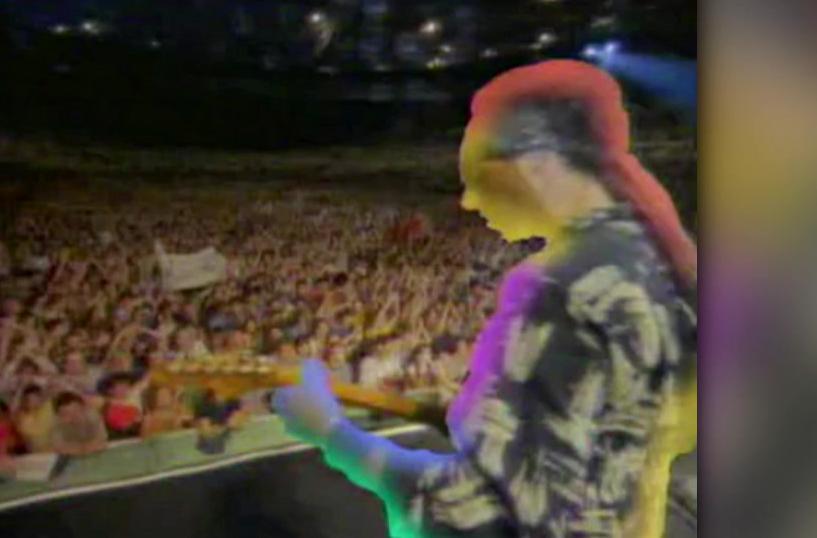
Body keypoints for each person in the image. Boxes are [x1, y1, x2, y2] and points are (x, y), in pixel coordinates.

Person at [272, 61, 697, 538]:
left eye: (476, 178)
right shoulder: (656, 258)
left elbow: (481, 514)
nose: (468, 202)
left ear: (538, 165)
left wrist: (330, 432)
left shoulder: (560, 288)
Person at [49, 391, 109, 457]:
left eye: (76, 411)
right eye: (65, 413)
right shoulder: (57, 424)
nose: (73, 416)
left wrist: (80, 449)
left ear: (83, 408)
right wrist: (82, 449)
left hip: (95, 455)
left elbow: (102, 441)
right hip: (70, 457)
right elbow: (57, 447)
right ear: (59, 415)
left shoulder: (93, 417)